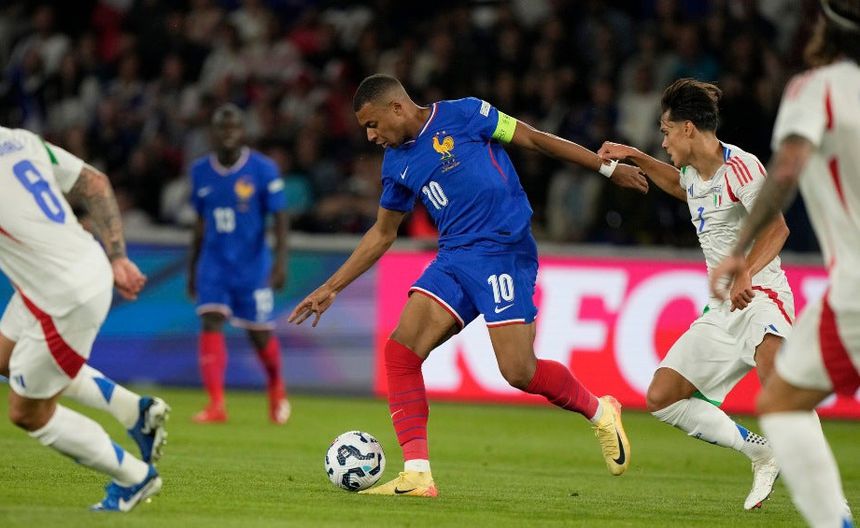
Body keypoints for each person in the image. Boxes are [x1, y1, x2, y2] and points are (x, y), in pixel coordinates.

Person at [289, 74, 649, 496]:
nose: (371, 136)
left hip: (503, 252)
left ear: (397, 108)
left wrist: (607, 168)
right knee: (401, 352)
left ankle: (600, 411)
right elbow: (383, 233)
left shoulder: (466, 113)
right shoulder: (396, 164)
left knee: (519, 371)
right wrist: (332, 287)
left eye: (372, 124)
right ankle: (417, 474)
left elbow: (534, 139)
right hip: (454, 258)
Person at [599, 77, 803, 510]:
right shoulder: (694, 174)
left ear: (688, 128)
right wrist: (634, 156)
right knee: (662, 397)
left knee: (780, 391)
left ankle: (830, 503)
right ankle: (761, 452)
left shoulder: (742, 168)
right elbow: (681, 186)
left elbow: (778, 228)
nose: (663, 141)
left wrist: (746, 272)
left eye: (666, 131)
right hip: (723, 308)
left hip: (760, 295)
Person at [710, 2, 859, 526]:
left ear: (826, 34)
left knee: (780, 404)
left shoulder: (814, 88)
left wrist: (738, 249)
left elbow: (789, 166)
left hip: (855, 292)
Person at [0, 125, 168, 511]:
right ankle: (134, 411)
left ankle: (134, 477)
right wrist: (117, 257)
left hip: (63, 296)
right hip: (69, 270)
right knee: (4, 359)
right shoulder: (18, 140)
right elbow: (95, 182)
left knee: (28, 413)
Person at [188, 103, 290, 424]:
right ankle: (216, 404)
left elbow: (280, 217)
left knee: (259, 335)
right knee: (211, 319)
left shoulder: (263, 169)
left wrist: (280, 263)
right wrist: (192, 269)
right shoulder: (199, 171)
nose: (228, 133)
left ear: (243, 132)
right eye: (222, 128)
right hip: (214, 262)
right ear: (213, 133)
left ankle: (276, 387)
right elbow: (200, 223)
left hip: (252, 265)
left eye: (233, 128)